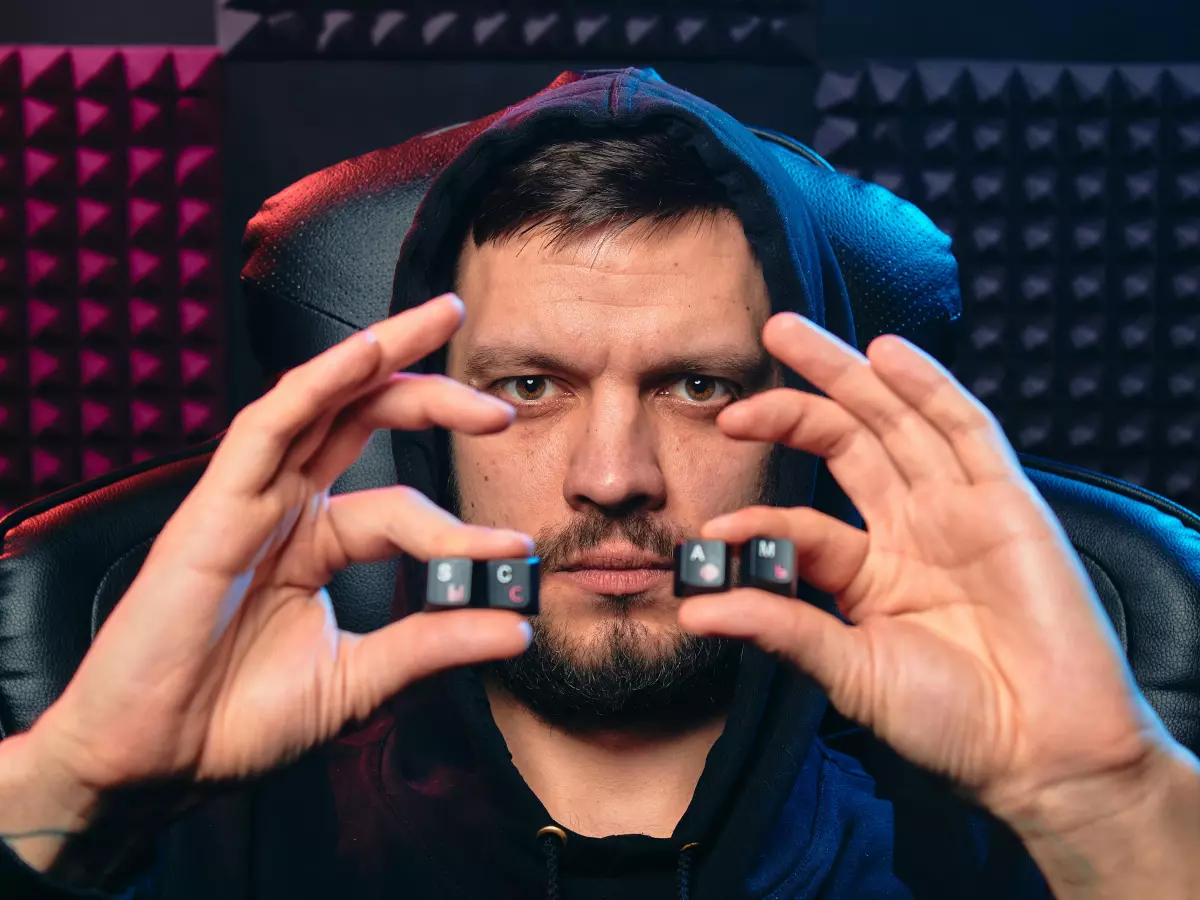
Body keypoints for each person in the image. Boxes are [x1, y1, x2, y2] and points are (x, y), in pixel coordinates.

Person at [1, 67, 1198, 900]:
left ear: (802, 431)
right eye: (528, 387)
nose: (611, 478)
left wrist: (1107, 804)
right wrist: (78, 785)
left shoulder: (1000, 846)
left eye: (697, 388)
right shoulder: (210, 844)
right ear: (426, 430)